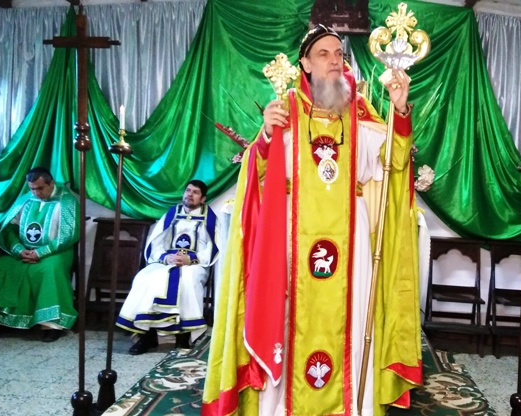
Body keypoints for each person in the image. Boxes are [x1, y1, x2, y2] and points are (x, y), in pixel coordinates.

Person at [202, 25, 421, 416]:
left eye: (339, 54)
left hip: (351, 244)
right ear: (304, 63)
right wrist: (265, 136)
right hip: (293, 242)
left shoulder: (359, 111)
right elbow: (257, 173)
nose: (334, 60)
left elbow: (395, 161)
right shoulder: (284, 110)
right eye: (324, 53)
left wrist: (400, 111)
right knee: (289, 323)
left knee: (350, 322)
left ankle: (351, 407)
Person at [0, 167, 79, 342]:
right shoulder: (26, 200)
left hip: (56, 252)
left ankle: (51, 325)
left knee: (49, 271)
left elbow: (68, 235)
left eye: (40, 188)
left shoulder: (67, 202)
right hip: (24, 252)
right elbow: (9, 228)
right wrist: (19, 250)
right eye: (32, 189)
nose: (36, 193)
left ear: (51, 183)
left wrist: (40, 252)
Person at [116, 180, 219, 355]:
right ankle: (147, 336)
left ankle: (184, 335)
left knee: (187, 280)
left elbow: (215, 247)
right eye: (188, 190)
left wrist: (190, 259)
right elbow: (155, 242)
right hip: (167, 261)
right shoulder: (172, 214)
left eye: (195, 192)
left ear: (203, 198)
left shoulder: (209, 218)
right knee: (145, 277)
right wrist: (165, 257)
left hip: (194, 264)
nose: (190, 194)